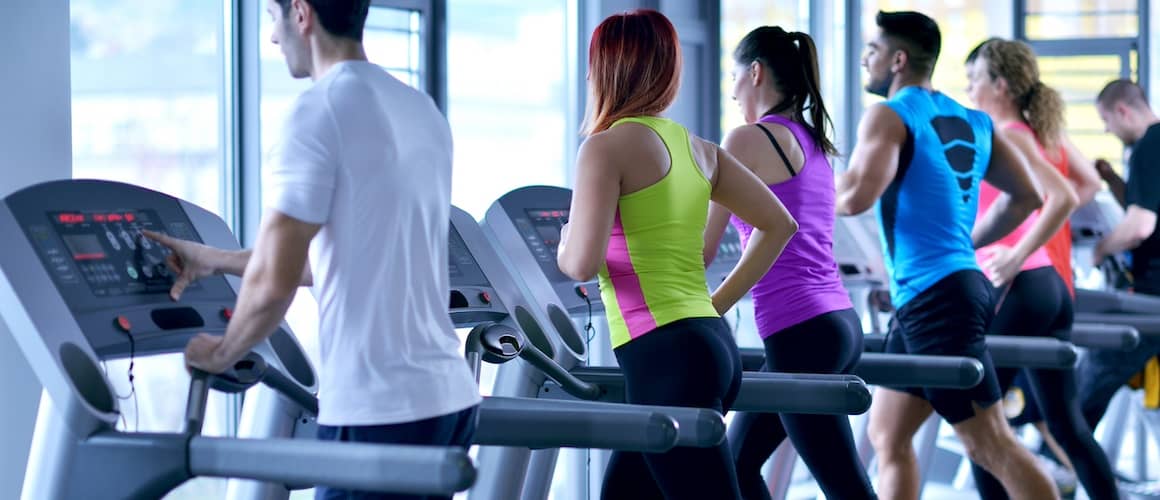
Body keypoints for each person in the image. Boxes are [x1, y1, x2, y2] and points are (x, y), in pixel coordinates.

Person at [146, 1, 481, 499]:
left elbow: (273, 282)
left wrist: (221, 353)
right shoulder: (420, 108)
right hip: (449, 400)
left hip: (380, 411)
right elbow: (330, 257)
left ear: (301, 14)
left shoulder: (319, 110)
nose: (272, 38)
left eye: (271, 18)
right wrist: (213, 260)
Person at [556, 9, 797, 499]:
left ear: (607, 70)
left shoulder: (604, 148)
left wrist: (563, 242)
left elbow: (580, 264)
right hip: (708, 343)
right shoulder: (700, 149)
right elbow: (778, 224)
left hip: (665, 359)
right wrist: (714, 306)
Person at [836, 11, 1059, 500]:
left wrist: (783, 193)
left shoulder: (890, 114)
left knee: (991, 444)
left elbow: (852, 198)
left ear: (897, 60)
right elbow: (1027, 196)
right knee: (888, 435)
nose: (865, 59)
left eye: (872, 50)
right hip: (936, 292)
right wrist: (965, 245)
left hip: (937, 299)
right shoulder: (974, 119)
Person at [703, 25, 875, 500]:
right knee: (738, 464)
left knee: (847, 488)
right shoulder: (813, 140)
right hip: (836, 322)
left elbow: (704, 246)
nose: (733, 91)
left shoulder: (747, 139)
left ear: (755, 73)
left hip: (802, 333)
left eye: (734, 76)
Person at [963, 37, 1119, 500]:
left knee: (981, 425)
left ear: (1001, 86)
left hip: (1021, 282)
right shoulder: (1034, 132)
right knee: (1065, 424)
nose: (969, 89)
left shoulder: (1007, 134)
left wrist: (1015, 250)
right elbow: (1077, 189)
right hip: (1047, 282)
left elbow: (1065, 196)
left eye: (975, 79)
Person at [1076, 79, 1160, 428]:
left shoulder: (1148, 147)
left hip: (1152, 296)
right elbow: (1147, 205)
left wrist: (1099, 249)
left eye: (1106, 120)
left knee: (1089, 385)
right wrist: (1112, 180)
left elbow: (1140, 225)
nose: (1106, 129)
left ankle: (1059, 467)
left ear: (1122, 110)